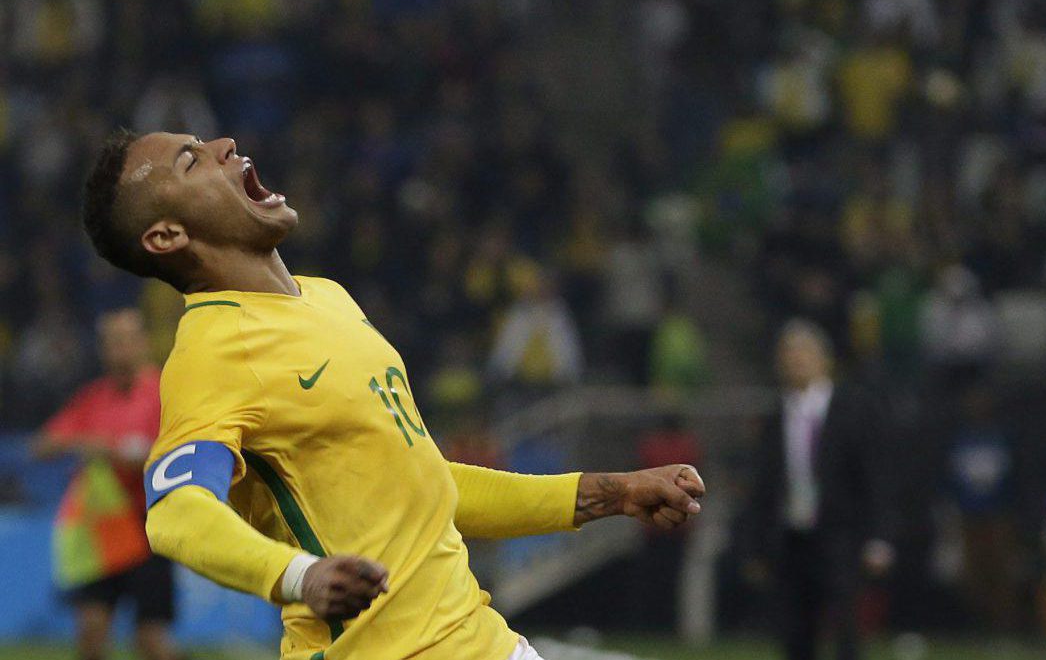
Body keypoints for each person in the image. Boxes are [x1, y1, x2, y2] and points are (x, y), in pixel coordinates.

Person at [79, 129, 707, 660]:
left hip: (485, 641)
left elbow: (426, 484)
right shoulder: (214, 351)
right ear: (166, 238)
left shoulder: (327, 296)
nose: (222, 145)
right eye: (190, 161)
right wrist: (297, 577)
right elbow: (176, 512)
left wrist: (615, 491)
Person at [741, 319, 897, 660]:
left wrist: (880, 537)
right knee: (795, 631)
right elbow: (763, 486)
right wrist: (755, 545)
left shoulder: (854, 408)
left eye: (803, 353)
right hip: (792, 537)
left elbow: (875, 477)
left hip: (840, 534)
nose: (795, 361)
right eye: (788, 354)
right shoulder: (775, 416)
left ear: (824, 360)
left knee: (845, 626)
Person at [31, 308, 182, 660]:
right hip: (104, 531)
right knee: (90, 633)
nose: (120, 348)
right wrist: (79, 442)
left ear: (144, 342)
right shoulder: (93, 398)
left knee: (151, 640)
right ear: (102, 348)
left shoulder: (166, 392)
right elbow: (41, 445)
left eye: (127, 339)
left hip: (150, 529)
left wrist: (110, 451)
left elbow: (170, 455)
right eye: (112, 341)